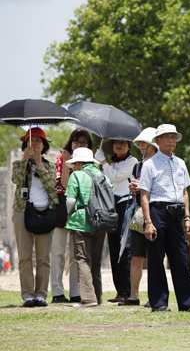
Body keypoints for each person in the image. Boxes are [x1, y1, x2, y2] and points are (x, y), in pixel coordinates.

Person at [138, 124, 190, 312]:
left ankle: (188, 303)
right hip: (157, 211)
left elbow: (185, 192)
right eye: (166, 137)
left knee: (181, 259)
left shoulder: (180, 163)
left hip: (177, 213)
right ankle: (159, 303)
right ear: (157, 141)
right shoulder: (149, 164)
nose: (170, 141)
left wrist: (187, 218)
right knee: (156, 260)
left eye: (173, 137)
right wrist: (148, 222)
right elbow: (144, 194)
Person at [11, 128, 58, 307]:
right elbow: (16, 179)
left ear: (44, 145)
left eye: (39, 140)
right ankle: (28, 295)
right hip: (22, 211)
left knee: (43, 256)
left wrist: (39, 164)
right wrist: (25, 160)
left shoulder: (50, 165)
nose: (35, 143)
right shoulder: (18, 163)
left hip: (45, 211)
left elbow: (51, 185)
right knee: (24, 255)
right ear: (25, 144)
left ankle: (41, 294)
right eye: (32, 140)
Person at [64, 147, 110, 308]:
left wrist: (69, 214)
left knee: (82, 259)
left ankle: (88, 299)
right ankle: (97, 297)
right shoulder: (103, 176)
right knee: (96, 262)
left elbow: (70, 200)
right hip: (101, 221)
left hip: (81, 221)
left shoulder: (76, 175)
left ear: (77, 163)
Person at [51, 129, 92, 303]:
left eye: (83, 142)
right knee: (58, 251)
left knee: (77, 253)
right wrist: (68, 162)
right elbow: (65, 184)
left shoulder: (90, 163)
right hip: (61, 205)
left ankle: (75, 291)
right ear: (70, 142)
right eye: (76, 141)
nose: (79, 145)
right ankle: (57, 291)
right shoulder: (61, 160)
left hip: (81, 208)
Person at [95, 138, 138, 303]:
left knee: (124, 249)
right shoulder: (112, 163)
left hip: (125, 206)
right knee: (113, 248)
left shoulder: (132, 161)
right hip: (111, 206)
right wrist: (103, 163)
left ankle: (126, 290)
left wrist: (103, 162)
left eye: (122, 143)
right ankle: (119, 290)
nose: (118, 146)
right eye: (115, 143)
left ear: (128, 146)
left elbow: (116, 177)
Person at [119, 128, 158, 306]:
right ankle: (133, 296)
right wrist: (134, 189)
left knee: (155, 257)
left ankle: (155, 296)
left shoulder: (160, 163)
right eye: (140, 142)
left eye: (145, 142)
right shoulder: (138, 166)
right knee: (136, 256)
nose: (141, 145)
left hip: (157, 212)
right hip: (139, 215)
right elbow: (138, 191)